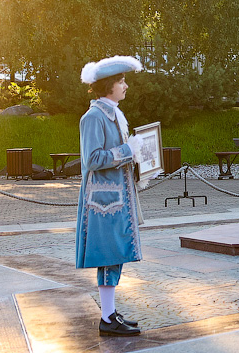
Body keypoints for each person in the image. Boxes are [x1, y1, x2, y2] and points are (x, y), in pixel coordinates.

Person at [77, 55, 146, 337]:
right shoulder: (93, 117)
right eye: (121, 81)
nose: (125, 86)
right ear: (108, 86)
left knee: (115, 256)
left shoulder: (113, 113)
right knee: (108, 256)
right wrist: (128, 151)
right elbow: (92, 159)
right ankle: (106, 318)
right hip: (102, 201)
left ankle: (110, 313)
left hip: (114, 197)